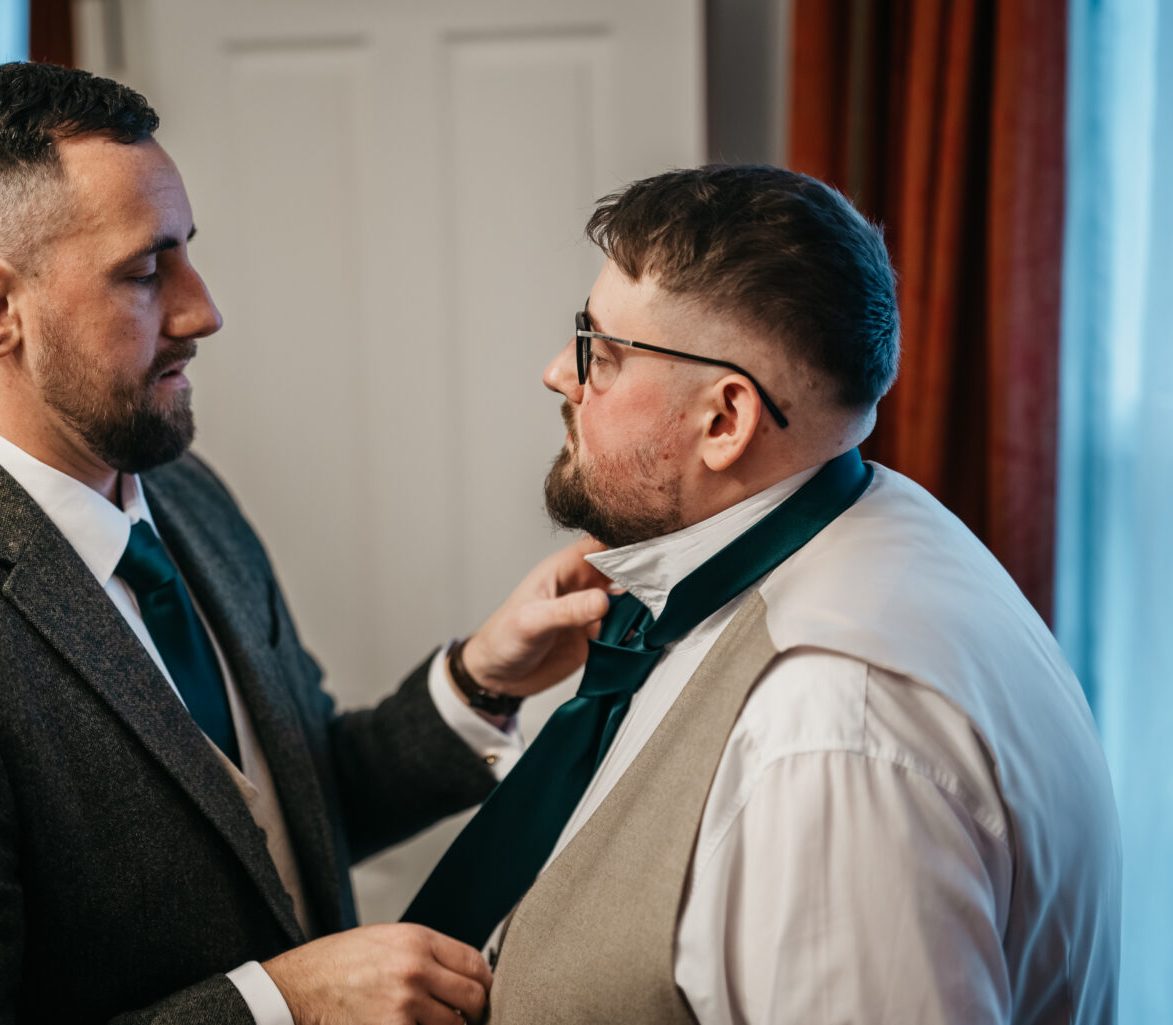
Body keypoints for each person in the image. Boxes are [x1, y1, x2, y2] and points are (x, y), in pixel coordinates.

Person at [0, 62, 611, 1025]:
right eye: (145, 270)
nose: (203, 311)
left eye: (187, 254)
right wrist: (277, 1005)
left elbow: (283, 813)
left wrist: (478, 679)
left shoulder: (184, 494)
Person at [404, 166, 1121, 1024]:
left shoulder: (829, 736)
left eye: (601, 348)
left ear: (725, 421)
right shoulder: (881, 525)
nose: (560, 371)